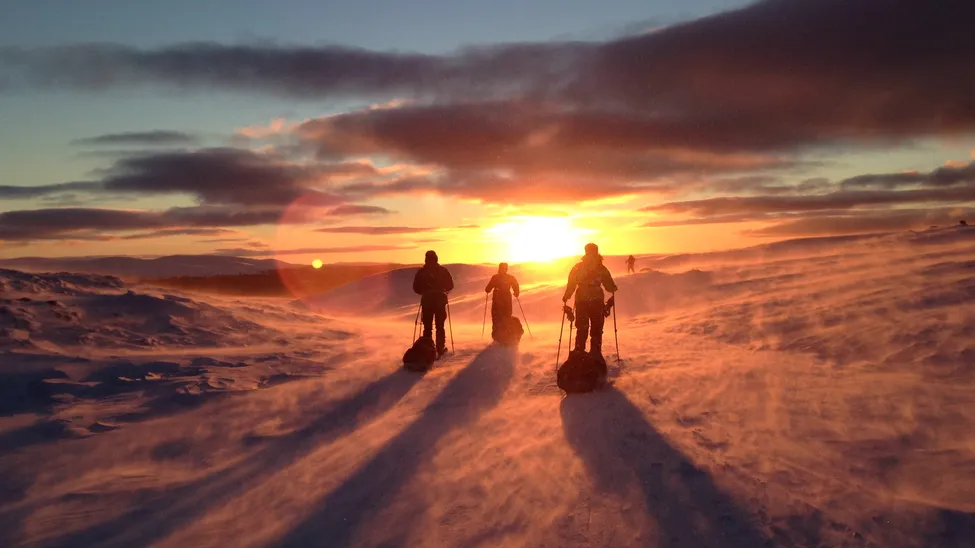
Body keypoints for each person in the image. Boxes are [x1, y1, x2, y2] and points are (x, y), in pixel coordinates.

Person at [563, 243, 618, 363]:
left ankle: (579, 352)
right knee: (596, 328)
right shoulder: (601, 267)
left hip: (581, 300)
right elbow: (609, 285)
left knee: (582, 328)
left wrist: (567, 296)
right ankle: (595, 353)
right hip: (597, 300)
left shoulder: (578, 267)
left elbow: (571, 283)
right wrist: (613, 288)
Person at [413, 250, 454, 358]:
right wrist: (443, 290)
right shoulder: (443, 271)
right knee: (440, 326)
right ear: (436, 258)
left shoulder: (421, 272)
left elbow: (416, 288)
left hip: (427, 302)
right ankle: (440, 349)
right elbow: (450, 285)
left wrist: (425, 291)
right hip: (440, 301)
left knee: (427, 327)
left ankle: (428, 350)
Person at [484, 262, 520, 341]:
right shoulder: (509, 277)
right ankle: (504, 336)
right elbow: (515, 285)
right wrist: (516, 292)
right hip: (504, 298)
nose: (503, 270)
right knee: (505, 316)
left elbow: (488, 288)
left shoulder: (496, 277)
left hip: (499, 298)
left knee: (498, 317)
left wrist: (487, 290)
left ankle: (499, 336)